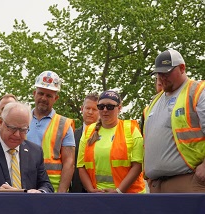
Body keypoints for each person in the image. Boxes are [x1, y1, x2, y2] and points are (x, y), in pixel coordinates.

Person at [144, 48, 205, 193]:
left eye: (167, 72)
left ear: (182, 68)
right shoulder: (155, 101)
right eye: (159, 73)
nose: (162, 77)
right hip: (156, 185)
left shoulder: (197, 91)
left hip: (187, 181)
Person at [0, 102, 54, 193]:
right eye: (12, 128)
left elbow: (46, 186)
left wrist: (40, 192)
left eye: (23, 130)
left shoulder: (35, 151)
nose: (17, 135)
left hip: (28, 206)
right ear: (0, 122)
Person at [77, 90, 146, 193]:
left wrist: (118, 191)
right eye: (101, 106)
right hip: (98, 196)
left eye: (110, 107)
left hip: (130, 195)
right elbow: (81, 166)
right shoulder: (88, 131)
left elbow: (138, 165)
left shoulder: (130, 129)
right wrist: (91, 190)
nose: (105, 110)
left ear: (119, 108)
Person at [27, 71, 76, 192]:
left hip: (51, 191)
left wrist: (61, 194)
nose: (43, 98)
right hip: (23, 186)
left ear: (56, 98)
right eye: (41, 93)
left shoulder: (64, 125)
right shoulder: (21, 118)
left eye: (49, 95)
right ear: (34, 94)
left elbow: (69, 163)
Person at [70, 92, 99, 193]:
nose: (90, 112)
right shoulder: (72, 135)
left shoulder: (107, 135)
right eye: (87, 108)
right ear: (82, 109)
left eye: (94, 109)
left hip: (98, 190)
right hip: (76, 191)